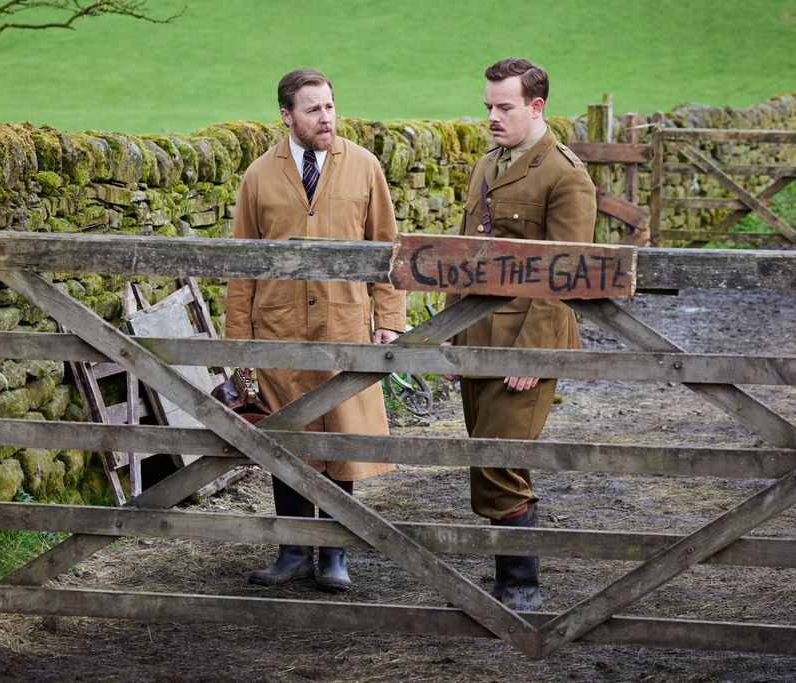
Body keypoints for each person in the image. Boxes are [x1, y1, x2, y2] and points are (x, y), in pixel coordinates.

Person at [224, 68, 407, 593]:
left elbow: (387, 250)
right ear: (286, 115)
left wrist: (389, 319)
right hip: (278, 331)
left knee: (341, 435)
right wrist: (239, 341)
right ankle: (293, 550)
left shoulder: (365, 168)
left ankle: (335, 553)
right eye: (313, 109)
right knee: (287, 441)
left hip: (343, 326)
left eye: (330, 106)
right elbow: (240, 266)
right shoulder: (258, 177)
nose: (326, 118)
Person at [444, 57, 596, 611]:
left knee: (498, 460)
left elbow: (566, 274)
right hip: (474, 338)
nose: (491, 116)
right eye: (488, 106)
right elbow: (461, 257)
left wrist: (533, 351)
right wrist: (446, 332)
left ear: (536, 107)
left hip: (527, 343)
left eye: (503, 106)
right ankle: (504, 575)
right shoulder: (486, 166)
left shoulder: (565, 174)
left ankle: (519, 586)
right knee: (482, 454)